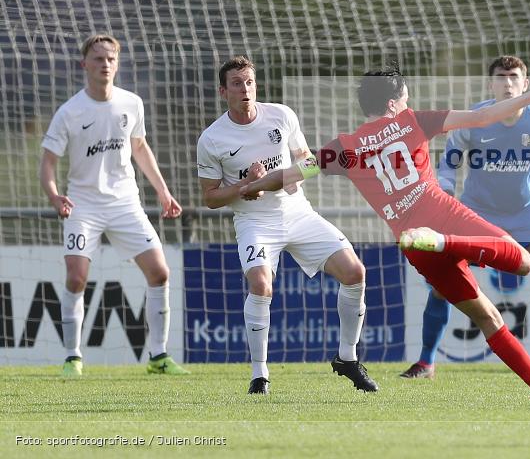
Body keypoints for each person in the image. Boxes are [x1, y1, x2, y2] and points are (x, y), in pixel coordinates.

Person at [240, 65, 530, 406]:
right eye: (406, 94)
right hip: (445, 220)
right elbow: (483, 117)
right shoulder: (412, 120)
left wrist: (254, 185)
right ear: (395, 101)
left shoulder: (345, 147)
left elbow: (297, 171)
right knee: (525, 263)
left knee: (488, 317)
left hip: (413, 243)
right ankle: (446, 243)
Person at [399, 55, 530, 380]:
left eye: (514, 76)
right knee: (443, 284)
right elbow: (449, 164)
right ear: (491, 84)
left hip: (526, 211)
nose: (508, 83)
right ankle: (426, 362)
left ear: (525, 84)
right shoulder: (476, 118)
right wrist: (442, 196)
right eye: (500, 77)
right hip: (477, 213)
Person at [197, 56, 376, 395]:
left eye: (249, 82)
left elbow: (308, 160)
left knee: (355, 272)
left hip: (298, 213)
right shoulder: (212, 138)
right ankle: (259, 375)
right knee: (261, 286)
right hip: (255, 222)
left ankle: (348, 359)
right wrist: (244, 188)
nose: (245, 89)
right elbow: (210, 197)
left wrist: (289, 179)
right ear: (223, 91)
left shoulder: (281, 114)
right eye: (236, 83)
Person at [40, 33, 188, 377]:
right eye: (97, 58)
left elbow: (140, 149)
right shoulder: (70, 112)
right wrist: (54, 196)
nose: (104, 64)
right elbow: (47, 162)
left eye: (110, 58)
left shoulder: (131, 103)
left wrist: (163, 193)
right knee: (76, 278)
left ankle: (158, 357)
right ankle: (72, 357)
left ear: (116, 64)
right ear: (84, 65)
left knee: (160, 272)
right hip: (83, 205)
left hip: (125, 204)